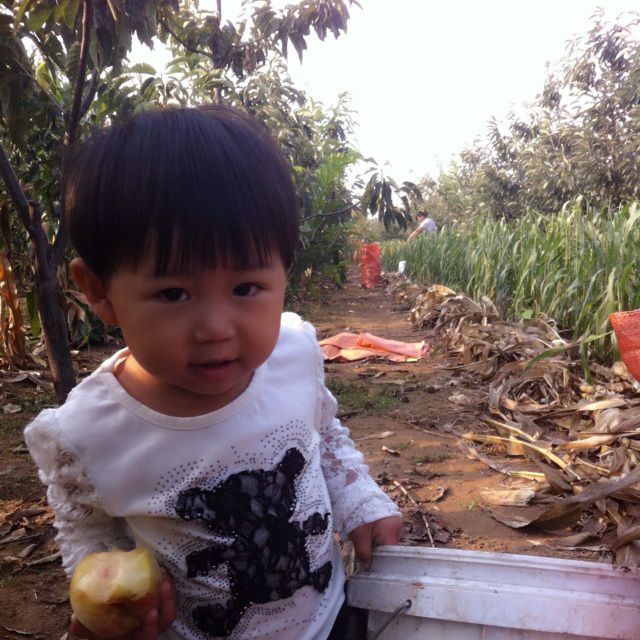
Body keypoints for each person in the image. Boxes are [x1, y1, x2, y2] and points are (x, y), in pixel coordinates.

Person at [24, 106, 402, 640]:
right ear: (99, 292)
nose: (216, 328)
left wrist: (360, 500)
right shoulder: (86, 432)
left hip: (329, 619)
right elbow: (86, 530)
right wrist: (105, 597)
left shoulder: (293, 354)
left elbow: (323, 437)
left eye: (246, 288)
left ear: (284, 271)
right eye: (173, 293)